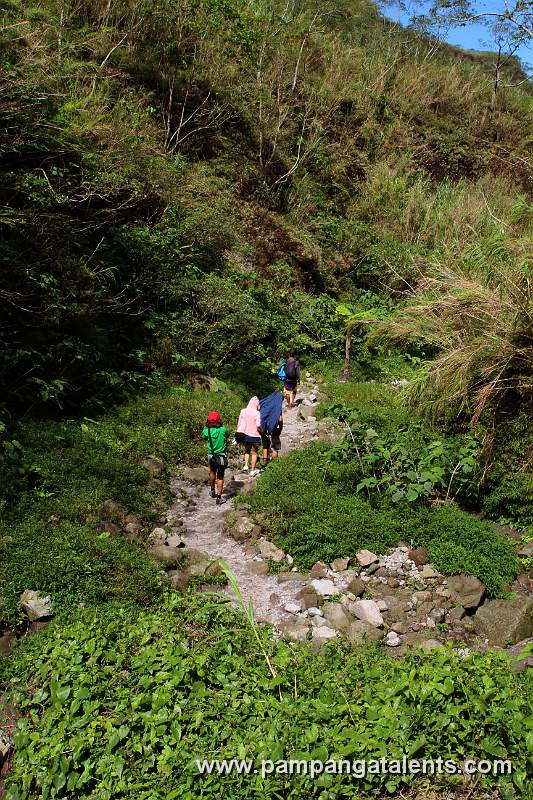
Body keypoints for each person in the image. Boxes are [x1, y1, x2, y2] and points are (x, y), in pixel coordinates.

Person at [202, 410, 229, 505]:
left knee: (212, 472)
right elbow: (227, 435)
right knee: (220, 476)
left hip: (211, 455)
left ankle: (212, 491)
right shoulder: (223, 430)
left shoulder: (206, 430)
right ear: (219, 420)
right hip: (221, 456)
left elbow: (204, 437)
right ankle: (219, 497)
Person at [236, 396, 261, 476]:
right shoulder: (257, 413)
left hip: (245, 434)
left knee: (247, 450)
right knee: (254, 453)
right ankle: (252, 470)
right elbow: (258, 425)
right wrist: (262, 432)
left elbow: (239, 423)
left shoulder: (243, 411)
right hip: (255, 435)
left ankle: (246, 465)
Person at [259, 390, 284, 466]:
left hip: (264, 427)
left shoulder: (266, 404)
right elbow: (280, 419)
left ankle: (264, 461)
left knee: (265, 444)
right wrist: (279, 429)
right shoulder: (277, 406)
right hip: (274, 429)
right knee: (275, 446)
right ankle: (274, 463)